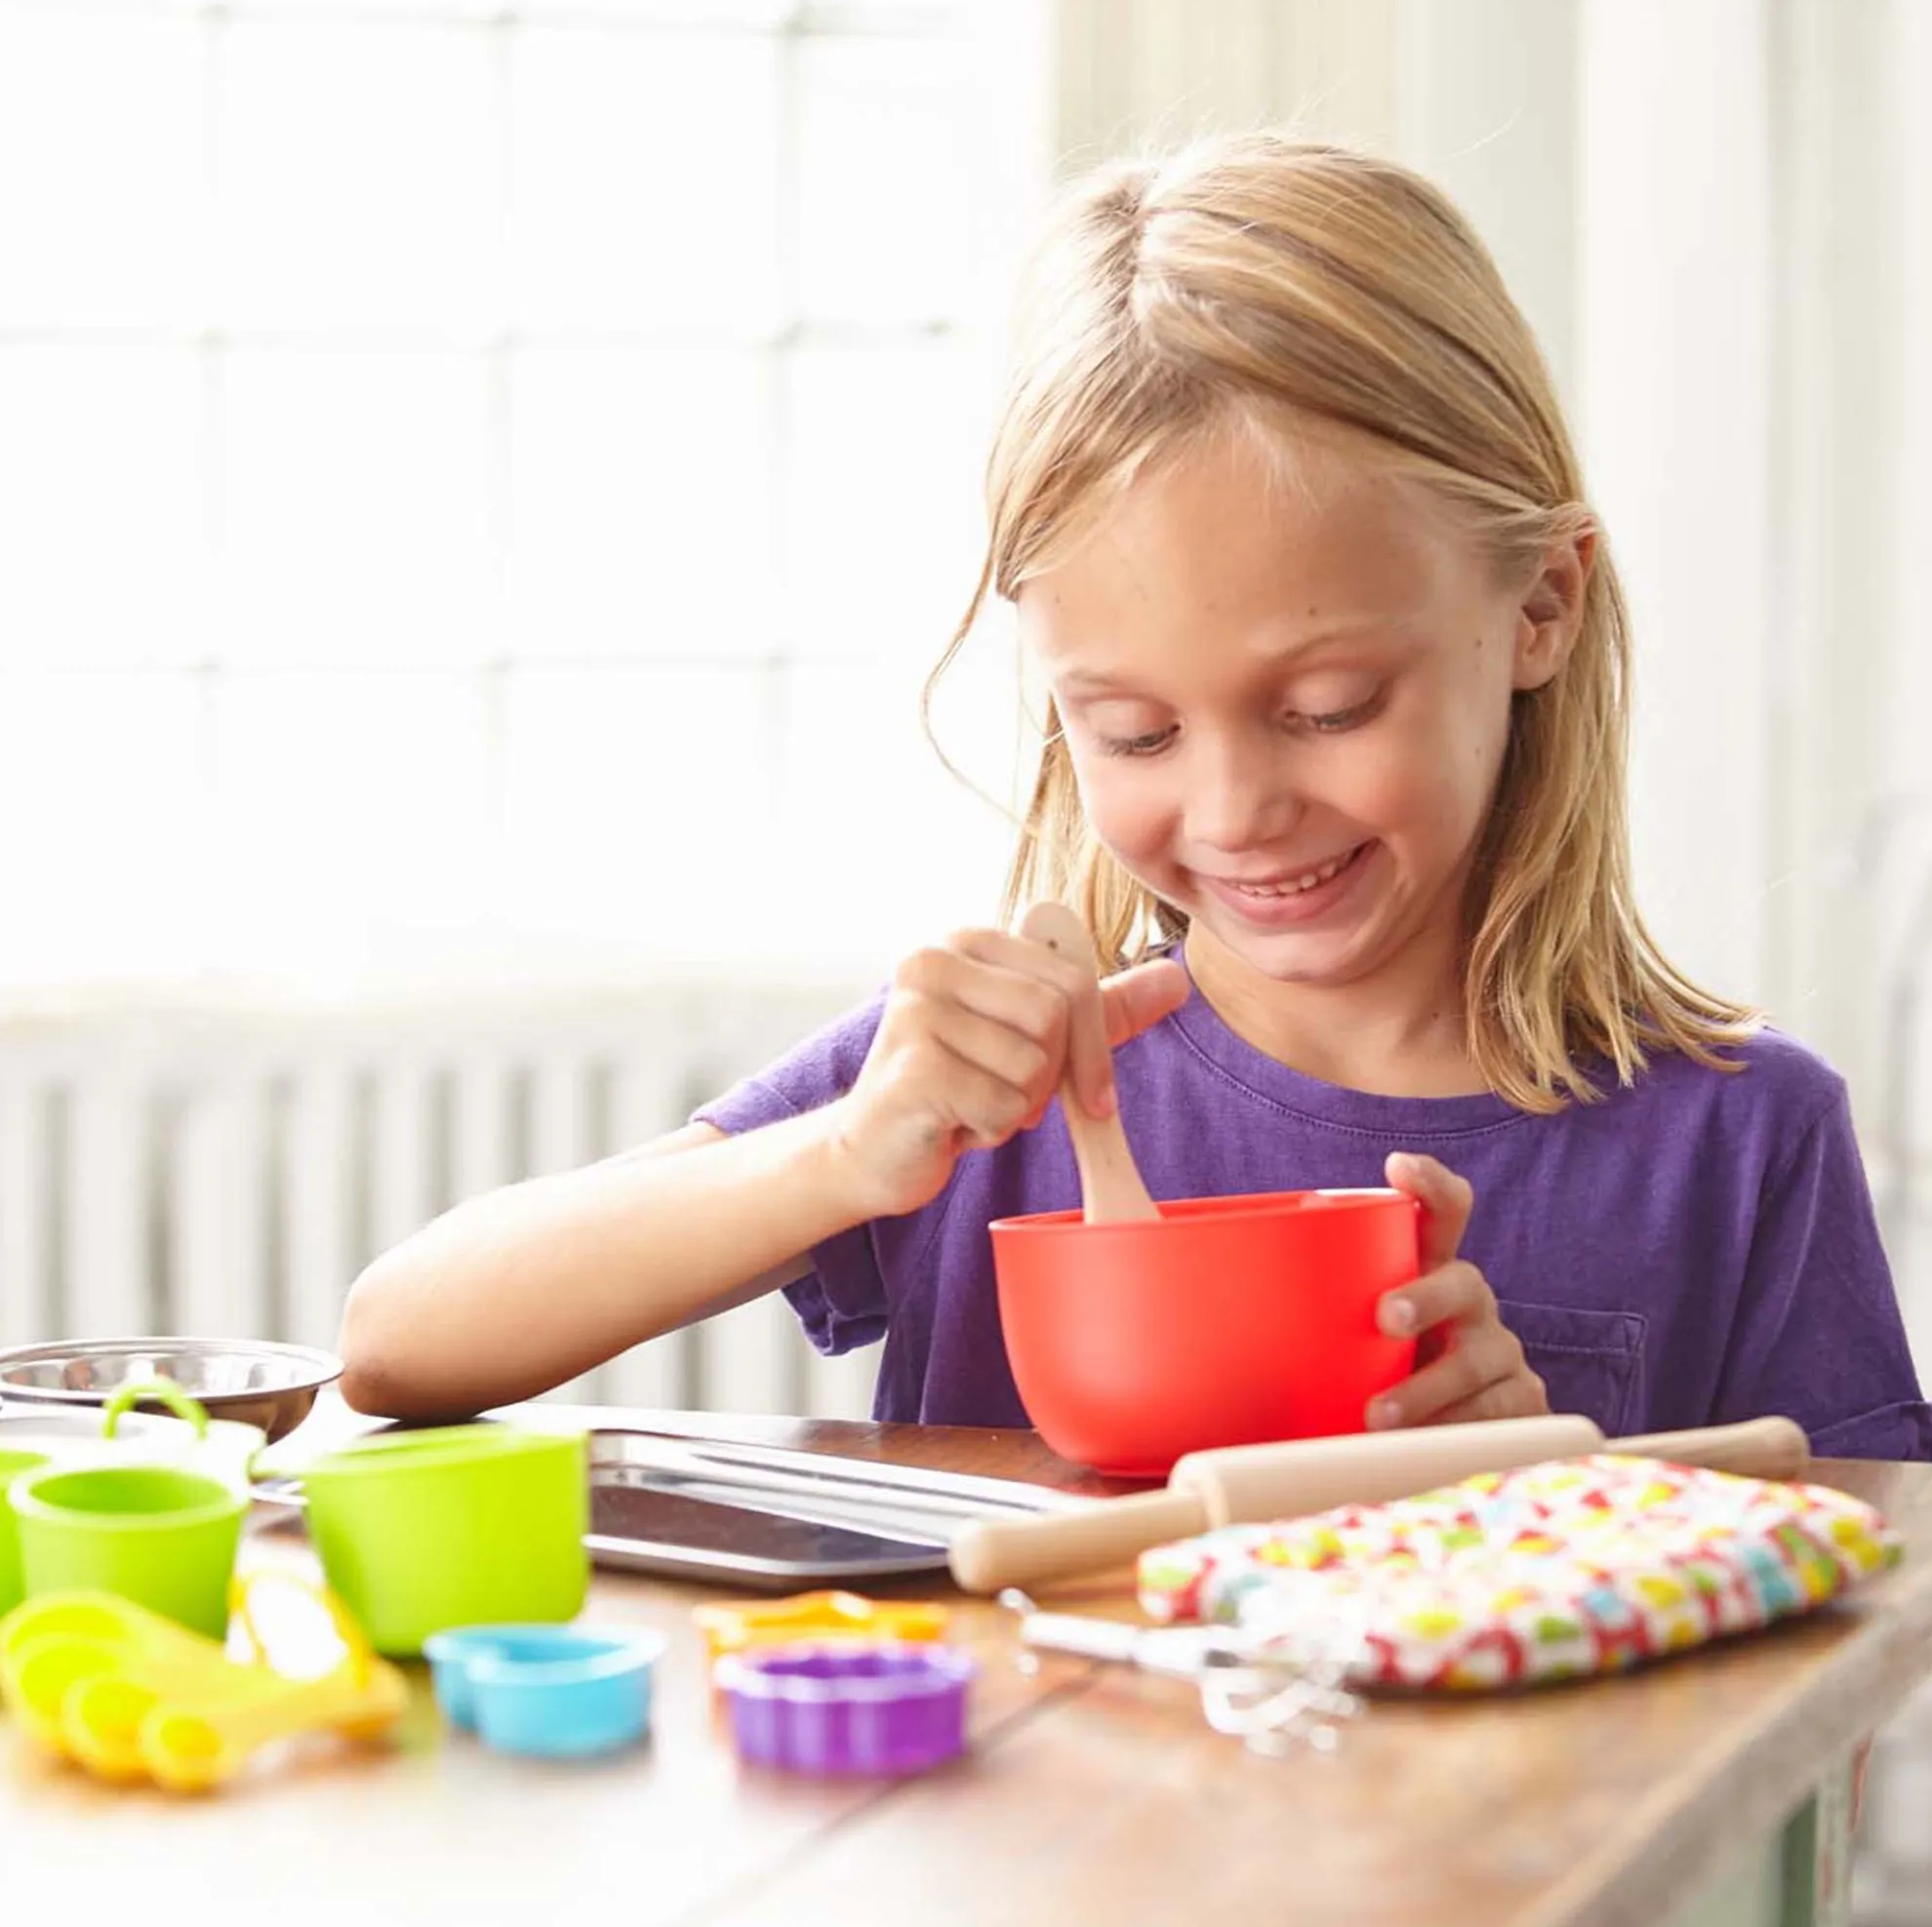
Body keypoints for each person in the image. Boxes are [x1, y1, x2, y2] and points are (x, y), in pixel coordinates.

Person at [337, 133, 1929, 1462]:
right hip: (1020, 1845)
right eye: (1136, 731)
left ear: (1541, 609)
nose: (1236, 809)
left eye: (1326, 708)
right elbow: (399, 1342)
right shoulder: (990, 1092)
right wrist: (837, 1160)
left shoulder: (1736, 1140)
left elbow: (1859, 1646)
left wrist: (1551, 1493)